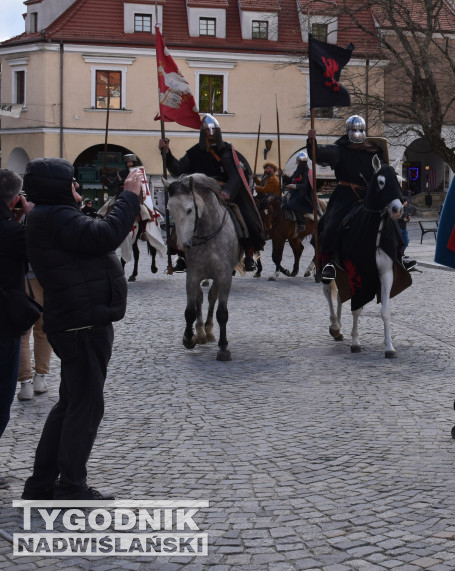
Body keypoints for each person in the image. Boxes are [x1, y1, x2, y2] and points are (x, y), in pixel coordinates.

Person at [20, 158, 142, 501]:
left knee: (71, 403)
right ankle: (71, 485)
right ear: (58, 187)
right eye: (72, 184)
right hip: (83, 323)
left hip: (79, 319)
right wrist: (128, 197)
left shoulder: (53, 215)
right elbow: (105, 235)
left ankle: (42, 483)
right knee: (85, 406)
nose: (77, 188)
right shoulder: (56, 216)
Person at [158, 115, 266, 271]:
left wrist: (228, 191)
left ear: (218, 131)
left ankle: (249, 254)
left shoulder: (227, 151)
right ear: (202, 132)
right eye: (207, 129)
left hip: (224, 191)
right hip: (200, 191)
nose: (210, 131)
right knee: (185, 213)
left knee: (244, 216)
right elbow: (178, 170)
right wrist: (166, 153)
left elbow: (236, 175)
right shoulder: (195, 152)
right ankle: (181, 254)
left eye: (213, 129)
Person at [306, 116, 398, 282]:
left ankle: (399, 256)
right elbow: (318, 154)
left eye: (360, 130)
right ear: (348, 131)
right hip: (346, 194)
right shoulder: (339, 150)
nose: (357, 133)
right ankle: (329, 264)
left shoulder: (374, 150)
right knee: (331, 224)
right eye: (354, 130)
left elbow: (384, 172)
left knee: (391, 221)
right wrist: (312, 142)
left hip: (370, 195)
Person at [0, 169, 31, 490]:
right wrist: (29, 219)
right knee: (1, 395)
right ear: (14, 200)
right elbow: (36, 251)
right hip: (4, 323)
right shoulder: (13, 233)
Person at [17, 262, 50, 401]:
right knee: (43, 329)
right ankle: (40, 378)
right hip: (42, 274)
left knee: (21, 334)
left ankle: (25, 384)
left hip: (18, 277)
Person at [284, 151, 316, 220]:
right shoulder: (297, 171)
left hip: (303, 195)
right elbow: (290, 180)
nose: (297, 163)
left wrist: (293, 186)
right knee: (283, 202)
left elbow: (305, 186)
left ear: (301, 162)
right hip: (294, 193)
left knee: (291, 205)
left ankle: (301, 223)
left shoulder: (306, 172)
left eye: (298, 161)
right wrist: (283, 175)